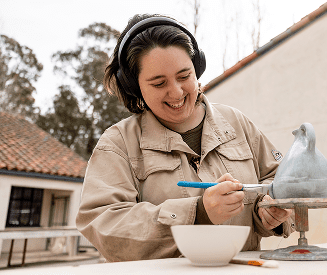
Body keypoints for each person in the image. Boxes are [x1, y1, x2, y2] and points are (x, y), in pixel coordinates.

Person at [76, 13, 293, 262]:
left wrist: (271, 212)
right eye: (158, 83)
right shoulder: (117, 144)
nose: (176, 92)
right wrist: (197, 213)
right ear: (134, 87)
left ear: (196, 69)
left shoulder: (237, 123)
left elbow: (282, 181)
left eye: (184, 76)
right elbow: (104, 225)